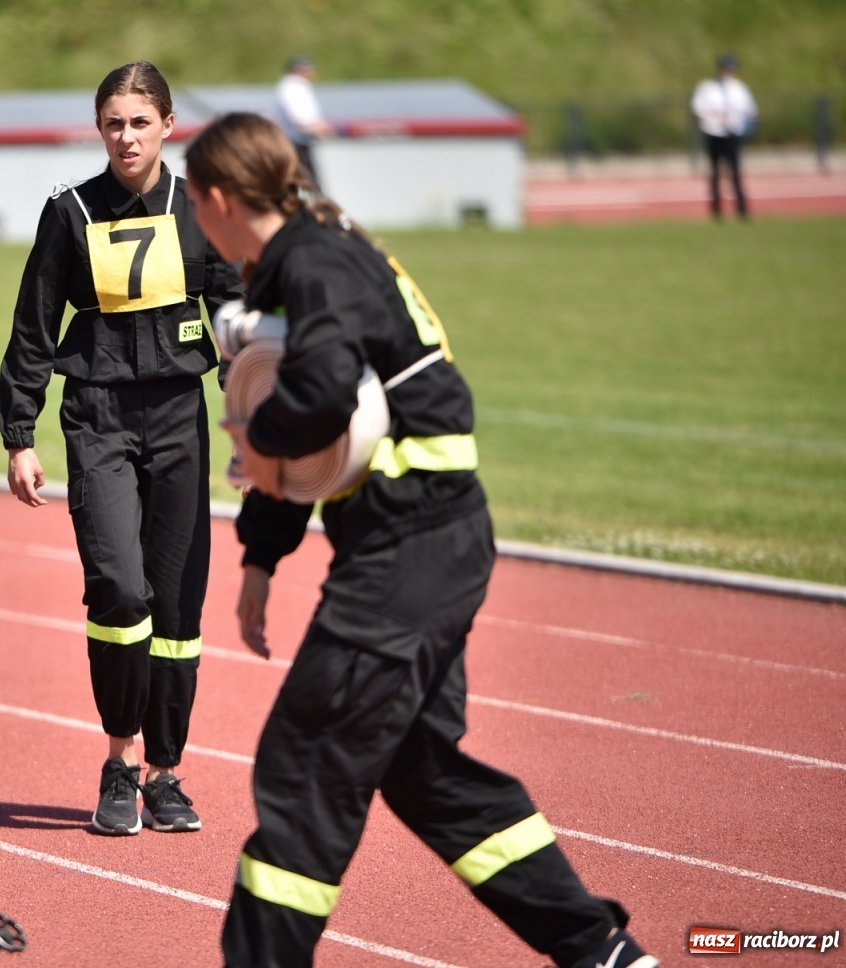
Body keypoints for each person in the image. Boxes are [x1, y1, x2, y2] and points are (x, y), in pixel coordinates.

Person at [184, 112, 658, 968]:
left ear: (217, 198)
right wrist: (261, 555)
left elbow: (319, 398)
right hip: (430, 539)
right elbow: (318, 440)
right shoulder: (313, 251)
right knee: (422, 769)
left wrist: (255, 436)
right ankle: (600, 952)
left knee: (305, 763)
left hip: (409, 547)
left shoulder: (314, 262)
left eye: (193, 201)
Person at [0, 62, 243, 836]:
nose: (126, 136)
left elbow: (236, 316)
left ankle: (165, 774)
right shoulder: (69, 212)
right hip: (97, 417)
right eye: (113, 123)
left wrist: (252, 418)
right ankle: (119, 759)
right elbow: (34, 327)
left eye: (140, 122)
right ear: (98, 129)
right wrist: (18, 434)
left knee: (177, 603)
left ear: (170, 125)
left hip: (178, 417)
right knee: (120, 590)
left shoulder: (202, 209)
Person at [691, 53, 757, 220]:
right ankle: (716, 211)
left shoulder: (739, 89)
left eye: (730, 68)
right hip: (714, 133)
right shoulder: (707, 87)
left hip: (733, 133)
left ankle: (742, 210)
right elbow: (698, 109)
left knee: (735, 172)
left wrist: (745, 128)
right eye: (725, 68)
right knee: (715, 172)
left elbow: (750, 112)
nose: (728, 71)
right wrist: (710, 119)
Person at [274, 55, 333, 192]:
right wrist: (320, 129)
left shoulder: (298, 86)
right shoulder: (292, 88)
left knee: (308, 182)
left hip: (302, 141)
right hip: (296, 142)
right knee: (307, 183)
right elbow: (300, 120)